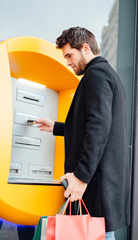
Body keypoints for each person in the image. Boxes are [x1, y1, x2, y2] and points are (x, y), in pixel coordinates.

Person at [34, 27, 130, 240]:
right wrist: (57, 127)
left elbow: (98, 127)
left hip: (96, 185)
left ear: (85, 48)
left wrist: (81, 177)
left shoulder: (96, 75)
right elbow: (93, 124)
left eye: (70, 55)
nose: (68, 62)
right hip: (102, 187)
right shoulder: (105, 74)